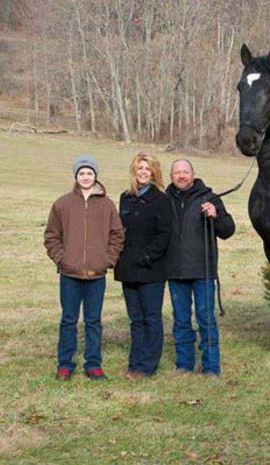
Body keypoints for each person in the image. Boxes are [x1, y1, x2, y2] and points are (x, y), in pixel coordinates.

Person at [43, 155, 124, 381]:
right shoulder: (62, 204)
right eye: (82, 173)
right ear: (76, 177)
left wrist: (107, 260)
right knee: (68, 319)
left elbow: (117, 235)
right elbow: (51, 236)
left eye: (89, 173)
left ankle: (93, 364)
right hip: (70, 274)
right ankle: (65, 364)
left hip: (96, 274)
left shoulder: (107, 205)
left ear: (95, 176)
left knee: (93, 320)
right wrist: (63, 259)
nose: (86, 177)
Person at [165, 159, 235, 377]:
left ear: (193, 174)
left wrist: (216, 215)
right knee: (181, 320)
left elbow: (228, 230)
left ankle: (211, 367)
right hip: (175, 271)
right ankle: (184, 364)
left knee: (206, 319)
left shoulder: (209, 197)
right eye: (177, 172)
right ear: (171, 176)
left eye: (185, 172)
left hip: (203, 270)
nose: (181, 176)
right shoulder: (164, 199)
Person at [114, 153, 172, 380]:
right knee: (135, 319)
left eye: (147, 169)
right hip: (128, 268)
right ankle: (134, 362)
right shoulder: (125, 197)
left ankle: (148, 366)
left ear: (154, 172)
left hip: (151, 269)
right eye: (140, 168)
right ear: (134, 171)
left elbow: (164, 234)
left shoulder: (161, 200)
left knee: (151, 318)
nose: (143, 172)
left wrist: (147, 256)